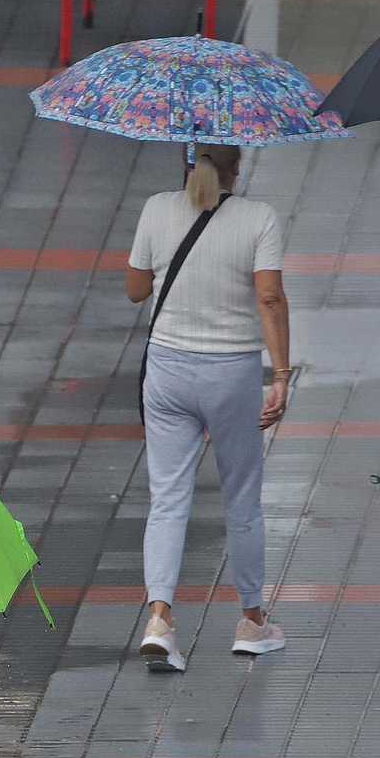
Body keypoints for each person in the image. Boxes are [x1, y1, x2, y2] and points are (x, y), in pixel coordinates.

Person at [125, 145, 291, 673]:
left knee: (168, 498)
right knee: (242, 500)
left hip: (167, 370)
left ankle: (160, 620)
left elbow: (135, 290)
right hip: (231, 373)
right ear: (237, 164)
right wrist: (281, 374)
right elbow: (269, 298)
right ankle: (251, 621)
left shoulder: (156, 208)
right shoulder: (257, 219)